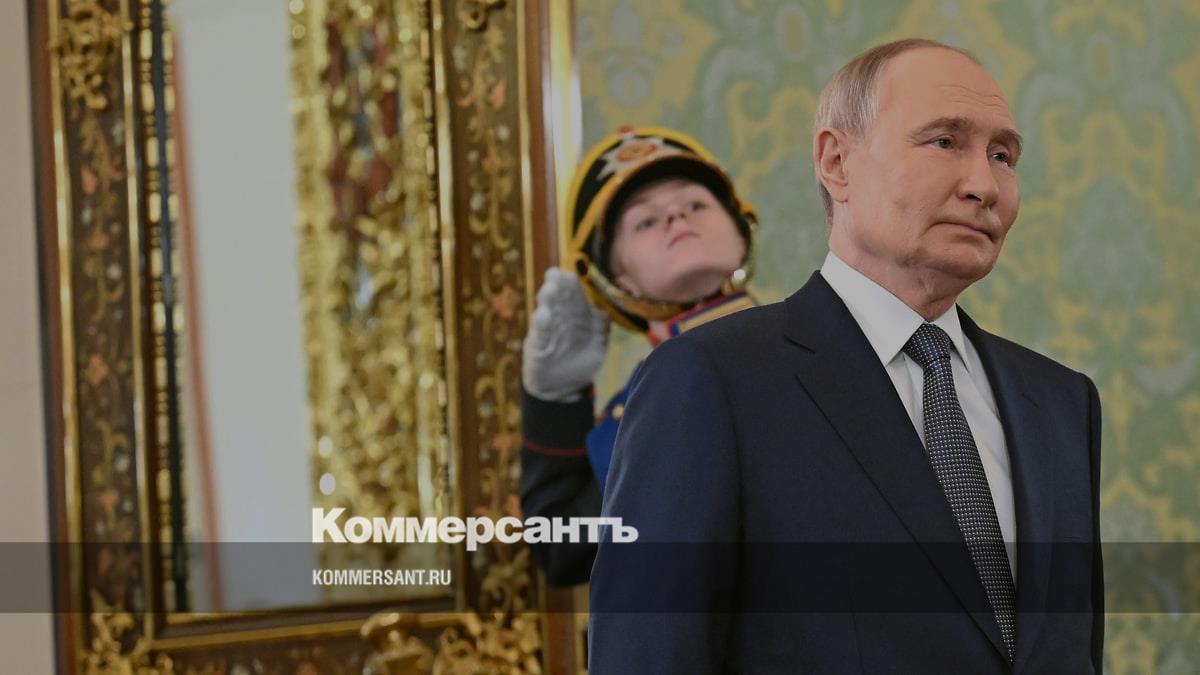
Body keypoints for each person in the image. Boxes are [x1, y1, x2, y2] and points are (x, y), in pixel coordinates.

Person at [589, 39, 1104, 673]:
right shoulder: (712, 381)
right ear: (837, 163)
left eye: (1003, 156)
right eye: (944, 142)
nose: (983, 185)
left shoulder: (1061, 401)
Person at [520, 126, 760, 586]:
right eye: (645, 222)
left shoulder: (827, 346)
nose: (676, 217)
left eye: (696, 204)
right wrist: (554, 399)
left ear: (741, 233)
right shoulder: (635, 417)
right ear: (618, 278)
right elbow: (561, 549)